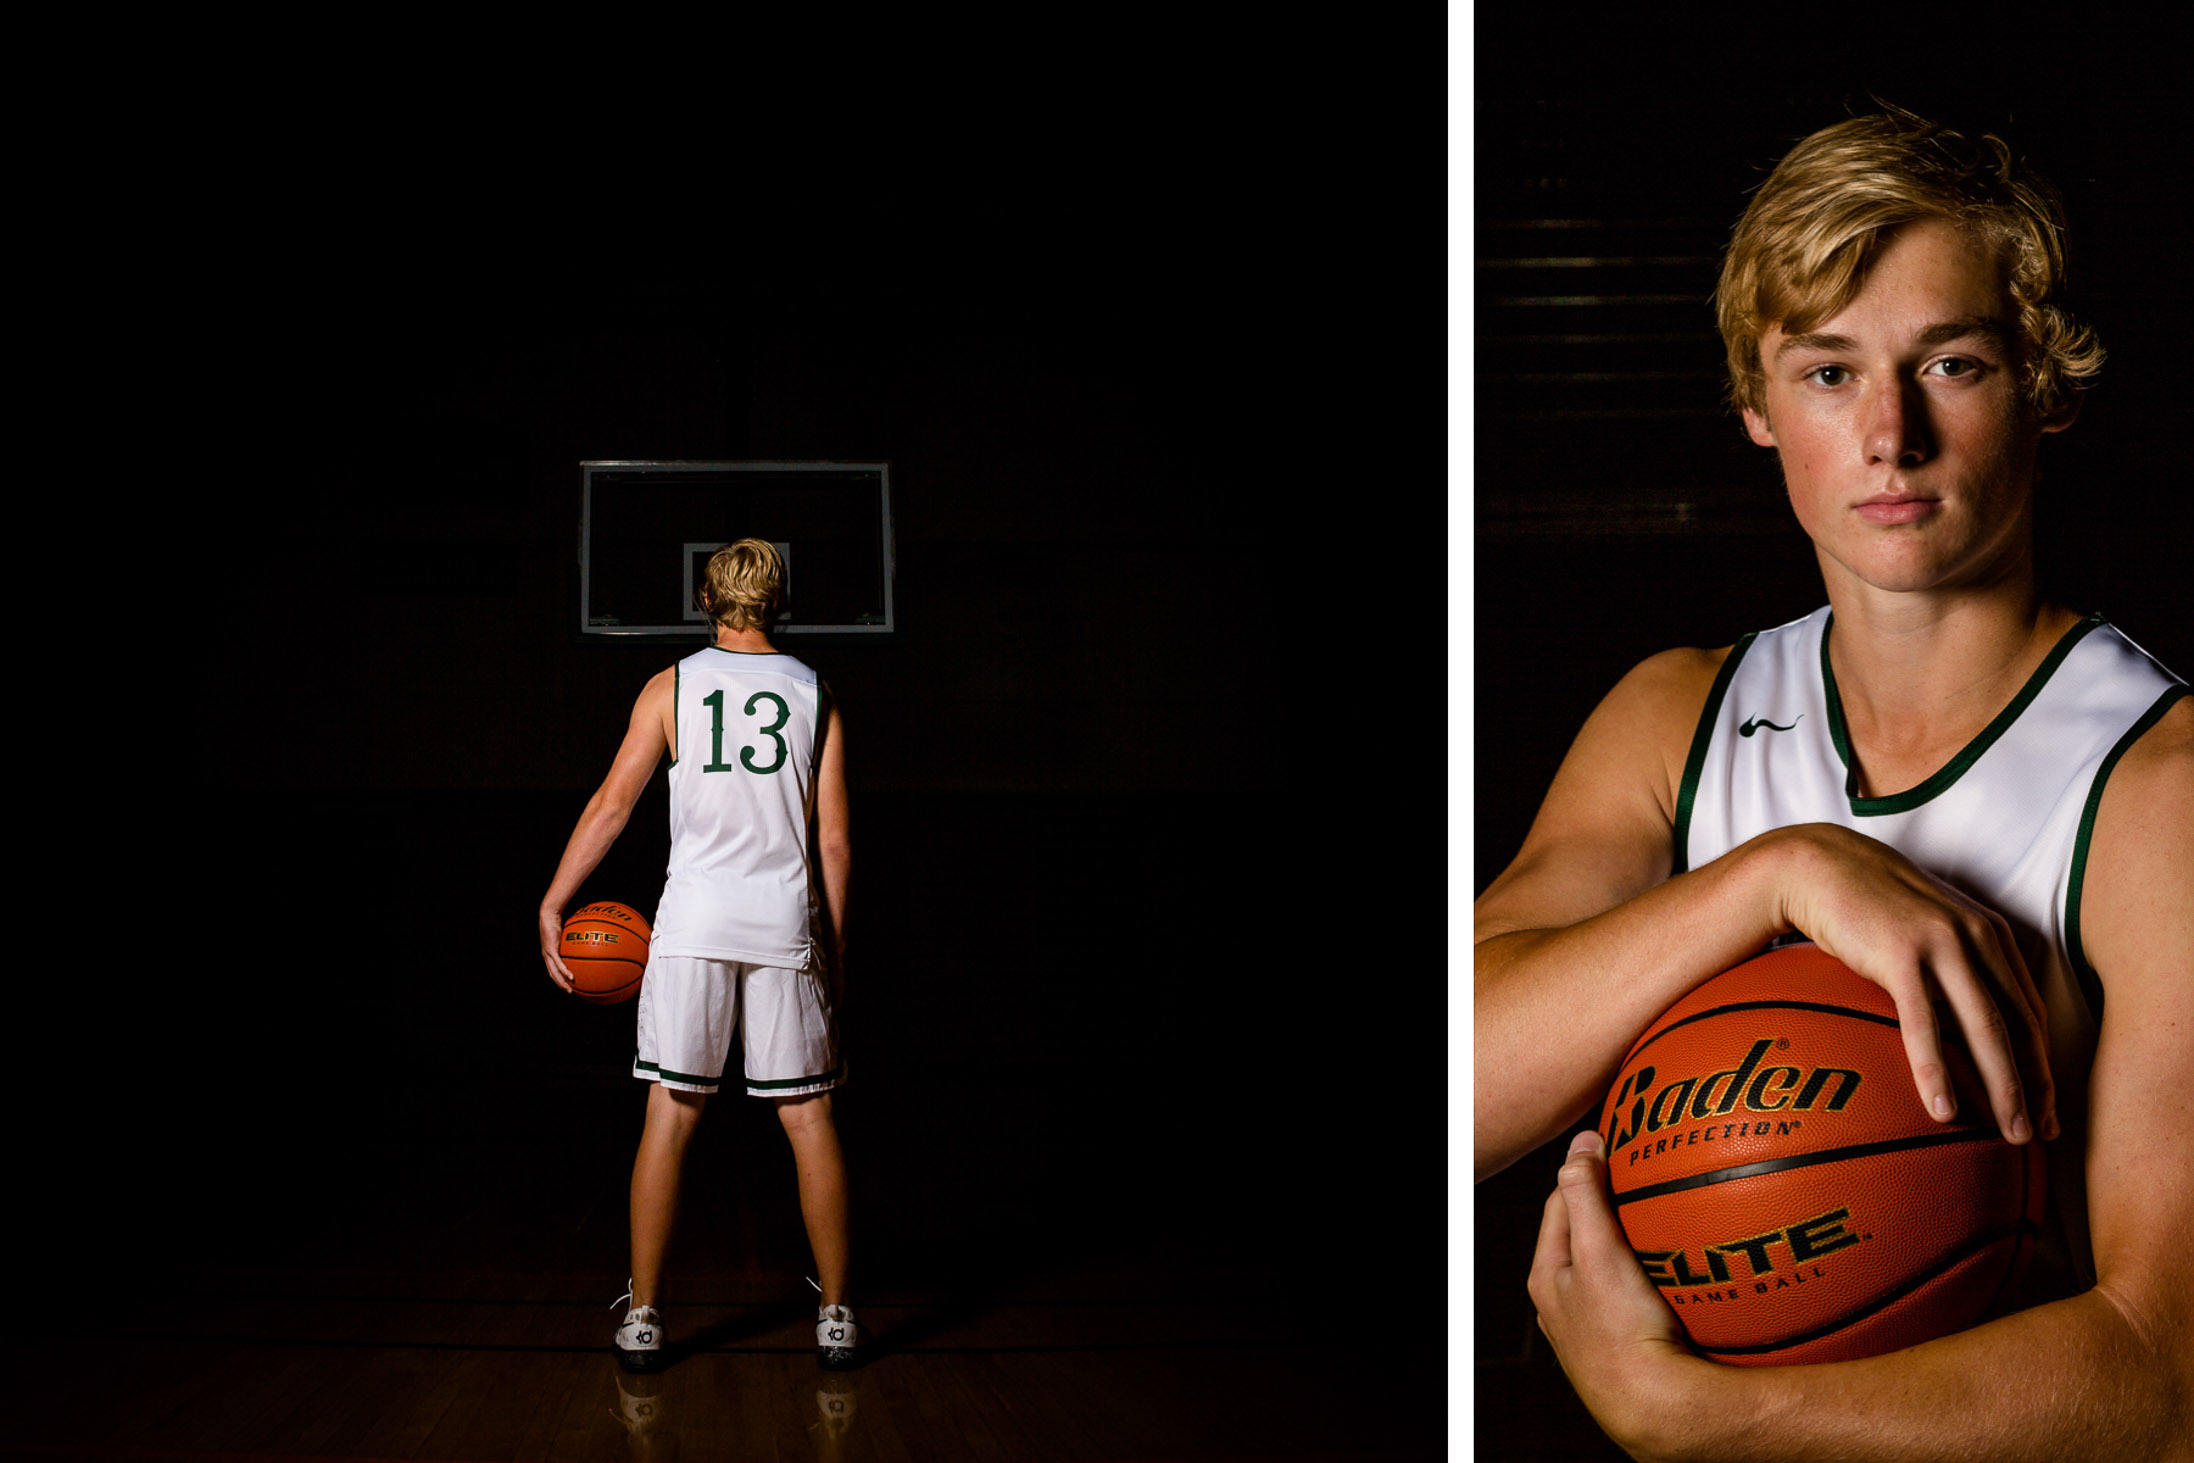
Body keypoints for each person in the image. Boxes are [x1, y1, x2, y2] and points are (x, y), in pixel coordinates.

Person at [1474, 107, 2192, 1461]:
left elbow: (2169, 1379)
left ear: (2047, 383)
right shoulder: (1668, 719)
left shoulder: (2158, 790)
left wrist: (1703, 1418)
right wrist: (1777, 874)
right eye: (1825, 372)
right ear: (1753, 403)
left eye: (1952, 363)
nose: (1887, 434)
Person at [539, 537, 861, 1373]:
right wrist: (834, 947)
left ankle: (644, 1314)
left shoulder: (669, 686)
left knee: (672, 1115)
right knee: (809, 1115)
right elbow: (834, 842)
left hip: (694, 921)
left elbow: (614, 805)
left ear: (705, 600)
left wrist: (554, 898)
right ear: (778, 601)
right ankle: (836, 1315)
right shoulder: (814, 692)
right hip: (783, 919)